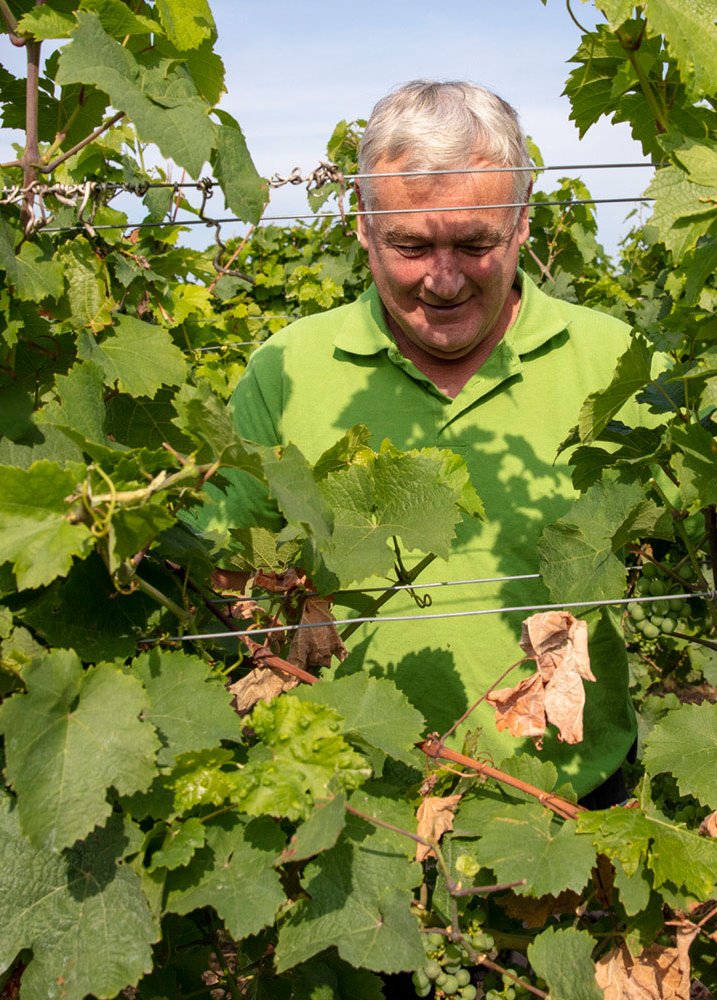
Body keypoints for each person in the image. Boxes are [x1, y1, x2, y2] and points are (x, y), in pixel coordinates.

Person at [227, 80, 649, 805]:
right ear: (362, 223)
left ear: (522, 225)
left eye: (476, 242)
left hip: (573, 807)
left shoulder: (620, 366)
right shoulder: (283, 374)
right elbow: (224, 570)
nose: (445, 279)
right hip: (347, 807)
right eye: (412, 245)